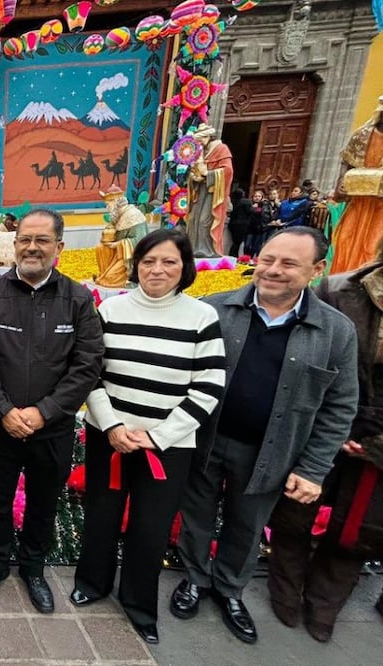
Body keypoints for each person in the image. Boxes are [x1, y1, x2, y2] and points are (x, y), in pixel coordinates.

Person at [171, 227, 358, 645]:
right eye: (268, 259)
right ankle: (196, 580)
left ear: (317, 270)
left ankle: (229, 590)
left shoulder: (335, 332)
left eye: (289, 264)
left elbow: (340, 406)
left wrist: (313, 469)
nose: (272, 270)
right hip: (205, 441)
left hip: (271, 451)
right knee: (197, 516)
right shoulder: (214, 310)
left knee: (247, 525)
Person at [71, 229, 226, 645]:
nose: (157, 269)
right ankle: (91, 582)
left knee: (151, 525)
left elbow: (208, 387)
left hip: (167, 445)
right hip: (111, 436)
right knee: (102, 513)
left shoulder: (201, 317)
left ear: (184, 268)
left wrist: (159, 436)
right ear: (136, 265)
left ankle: (139, 606)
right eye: (149, 261)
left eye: (168, 262)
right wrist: (113, 426)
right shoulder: (111, 311)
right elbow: (90, 373)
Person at [0, 209, 104, 610]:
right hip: (0, 426)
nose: (31, 247)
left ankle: (33, 568)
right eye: (25, 239)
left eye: (42, 240)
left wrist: (44, 412)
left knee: (44, 501)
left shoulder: (78, 299)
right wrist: (5, 410)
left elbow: (87, 365)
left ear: (58, 247)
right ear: (15, 243)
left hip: (53, 429)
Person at [266, 245, 383, 642]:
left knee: (361, 529)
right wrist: (342, 427)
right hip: (322, 423)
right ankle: (284, 593)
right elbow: (304, 358)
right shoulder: (339, 289)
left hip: (380, 442)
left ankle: (325, 604)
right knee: (295, 511)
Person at [330, 95, 383, 274]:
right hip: (359, 202)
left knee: (374, 246)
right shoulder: (362, 134)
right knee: (346, 240)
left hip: (381, 207)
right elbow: (346, 161)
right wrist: (341, 181)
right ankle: (341, 281)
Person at [185, 124, 234, 258]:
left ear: (208, 137)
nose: (199, 143)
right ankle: (193, 248)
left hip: (213, 194)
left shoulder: (221, 149)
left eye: (201, 140)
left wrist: (208, 174)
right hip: (201, 191)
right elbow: (195, 171)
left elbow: (228, 171)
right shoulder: (201, 152)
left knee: (204, 221)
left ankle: (207, 250)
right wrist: (194, 178)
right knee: (193, 219)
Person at [227, 188, 253, 257]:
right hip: (242, 225)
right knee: (238, 242)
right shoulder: (246, 202)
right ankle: (233, 255)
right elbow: (250, 211)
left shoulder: (232, 201)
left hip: (232, 224)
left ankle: (233, 255)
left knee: (235, 241)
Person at [245, 189, 271, 258]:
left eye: (259, 196)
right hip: (249, 228)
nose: (257, 197)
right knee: (247, 245)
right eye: (256, 196)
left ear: (262, 197)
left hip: (259, 228)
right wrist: (252, 209)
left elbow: (264, 215)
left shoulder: (265, 205)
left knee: (255, 246)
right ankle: (245, 257)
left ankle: (251, 258)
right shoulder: (249, 204)